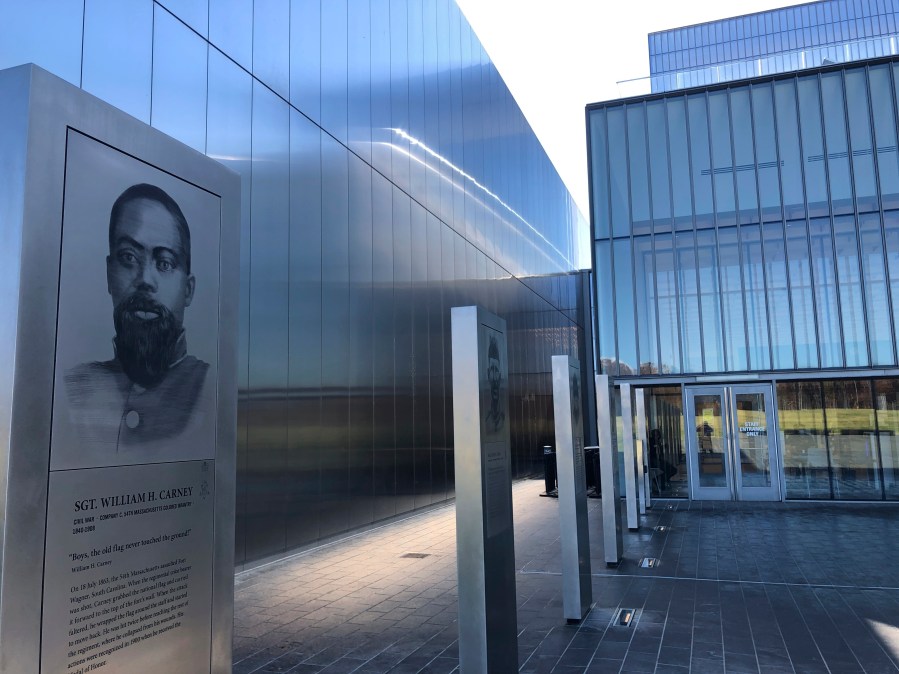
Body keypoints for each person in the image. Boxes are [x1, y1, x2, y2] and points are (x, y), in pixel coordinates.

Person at [64, 183, 209, 453]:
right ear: (110, 274)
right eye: (129, 257)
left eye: (164, 263)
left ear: (188, 290)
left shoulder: (211, 390)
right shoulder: (71, 389)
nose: (144, 279)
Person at [485, 334, 505, 433]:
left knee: (493, 360)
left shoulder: (494, 408)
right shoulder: (496, 408)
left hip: (494, 378)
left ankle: (492, 343)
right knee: (494, 360)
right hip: (495, 377)